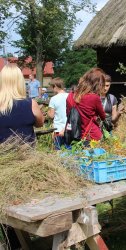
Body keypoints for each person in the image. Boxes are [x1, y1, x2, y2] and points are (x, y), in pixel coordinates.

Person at [0, 63, 44, 249]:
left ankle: (14, 242)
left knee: (7, 203)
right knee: (29, 202)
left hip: (4, 165)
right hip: (28, 164)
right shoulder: (29, 104)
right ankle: (30, 238)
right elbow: (40, 122)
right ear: (20, 82)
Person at [66, 68, 106, 142]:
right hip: (92, 137)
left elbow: (68, 114)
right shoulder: (94, 98)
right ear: (97, 84)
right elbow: (103, 117)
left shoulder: (70, 96)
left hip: (74, 136)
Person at [48, 78, 69, 149]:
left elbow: (51, 115)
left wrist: (48, 112)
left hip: (58, 129)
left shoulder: (53, 99)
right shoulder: (70, 96)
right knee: (69, 150)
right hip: (68, 129)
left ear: (56, 86)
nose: (52, 89)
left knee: (58, 150)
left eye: (52, 87)